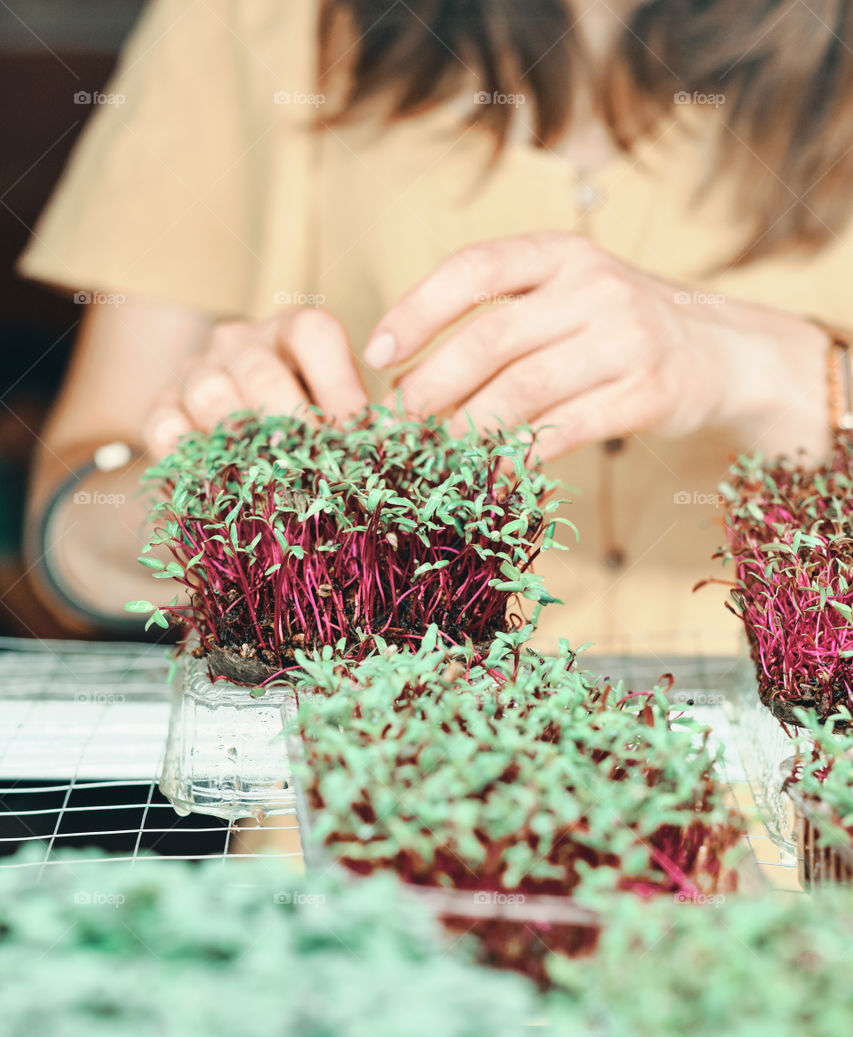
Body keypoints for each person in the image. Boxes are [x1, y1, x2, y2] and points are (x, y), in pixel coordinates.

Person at [19, 0, 853, 654]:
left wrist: (793, 380)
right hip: (346, 822)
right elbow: (69, 544)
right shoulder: (251, 18)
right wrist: (229, 499)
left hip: (804, 833)